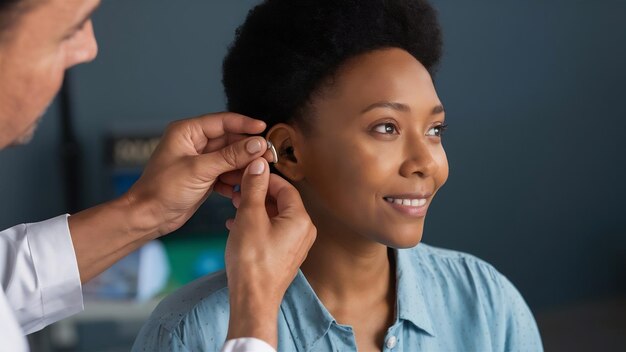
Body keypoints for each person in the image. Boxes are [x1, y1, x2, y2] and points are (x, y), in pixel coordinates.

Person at [132, 0, 545, 351]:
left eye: (435, 130)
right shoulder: (191, 332)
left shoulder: (489, 304)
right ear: (290, 152)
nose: (427, 162)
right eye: (386, 127)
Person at [0, 0, 316, 351]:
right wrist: (255, 304)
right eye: (70, 28)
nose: (89, 48)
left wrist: (147, 209)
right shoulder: (186, 330)